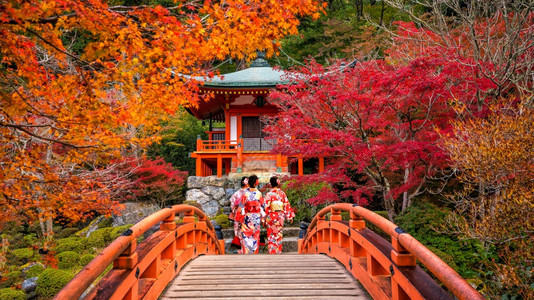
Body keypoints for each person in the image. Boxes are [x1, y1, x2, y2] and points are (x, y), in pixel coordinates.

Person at [264, 176, 294, 254]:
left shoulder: (268, 194)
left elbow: (266, 207)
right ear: (278, 183)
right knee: (279, 233)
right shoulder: (282, 193)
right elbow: (286, 204)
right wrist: (289, 216)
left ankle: (272, 251)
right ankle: (278, 251)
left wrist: (264, 219)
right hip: (280, 216)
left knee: (271, 234)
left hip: (271, 215)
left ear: (271, 184)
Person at [235, 174, 265, 254]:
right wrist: (263, 218)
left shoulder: (245, 193)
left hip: (247, 217)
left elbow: (241, 207)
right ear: (256, 183)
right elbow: (262, 207)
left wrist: (238, 219)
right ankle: (254, 253)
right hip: (256, 217)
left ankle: (247, 253)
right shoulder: (259, 194)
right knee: (255, 236)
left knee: (246, 236)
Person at [229, 176, 249, 253]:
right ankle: (242, 249)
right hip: (242, 214)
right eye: (247, 180)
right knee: (240, 231)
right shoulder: (239, 193)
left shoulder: (239, 193)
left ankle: (243, 249)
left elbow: (232, 204)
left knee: (242, 231)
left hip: (243, 213)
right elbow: (233, 203)